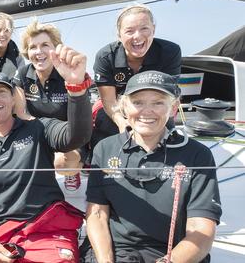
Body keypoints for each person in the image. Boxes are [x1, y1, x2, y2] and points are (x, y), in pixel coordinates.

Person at [0, 54, 92, 262]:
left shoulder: (39, 127)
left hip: (46, 231)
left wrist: (76, 88)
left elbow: (77, 136)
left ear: (14, 98)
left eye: (2, 91)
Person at [82, 71, 222, 263]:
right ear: (124, 107)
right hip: (114, 252)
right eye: (138, 102)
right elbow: (97, 214)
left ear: (173, 108)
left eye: (158, 103)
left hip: (173, 254)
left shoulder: (197, 155)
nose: (147, 111)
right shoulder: (105, 148)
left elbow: (202, 230)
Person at [13, 19, 86, 191]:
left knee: (65, 164)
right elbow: (21, 113)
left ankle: (74, 171)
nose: (38, 52)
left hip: (67, 134)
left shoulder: (68, 71)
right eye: (32, 47)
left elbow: (79, 118)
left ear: (56, 48)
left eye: (45, 45)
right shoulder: (23, 73)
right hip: (36, 131)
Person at [93, 3, 181, 142]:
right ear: (119, 35)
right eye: (129, 31)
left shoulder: (170, 52)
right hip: (118, 111)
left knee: (167, 144)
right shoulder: (105, 57)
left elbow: (168, 97)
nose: (137, 36)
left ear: (153, 30)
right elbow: (109, 101)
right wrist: (123, 124)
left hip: (155, 109)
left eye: (144, 28)